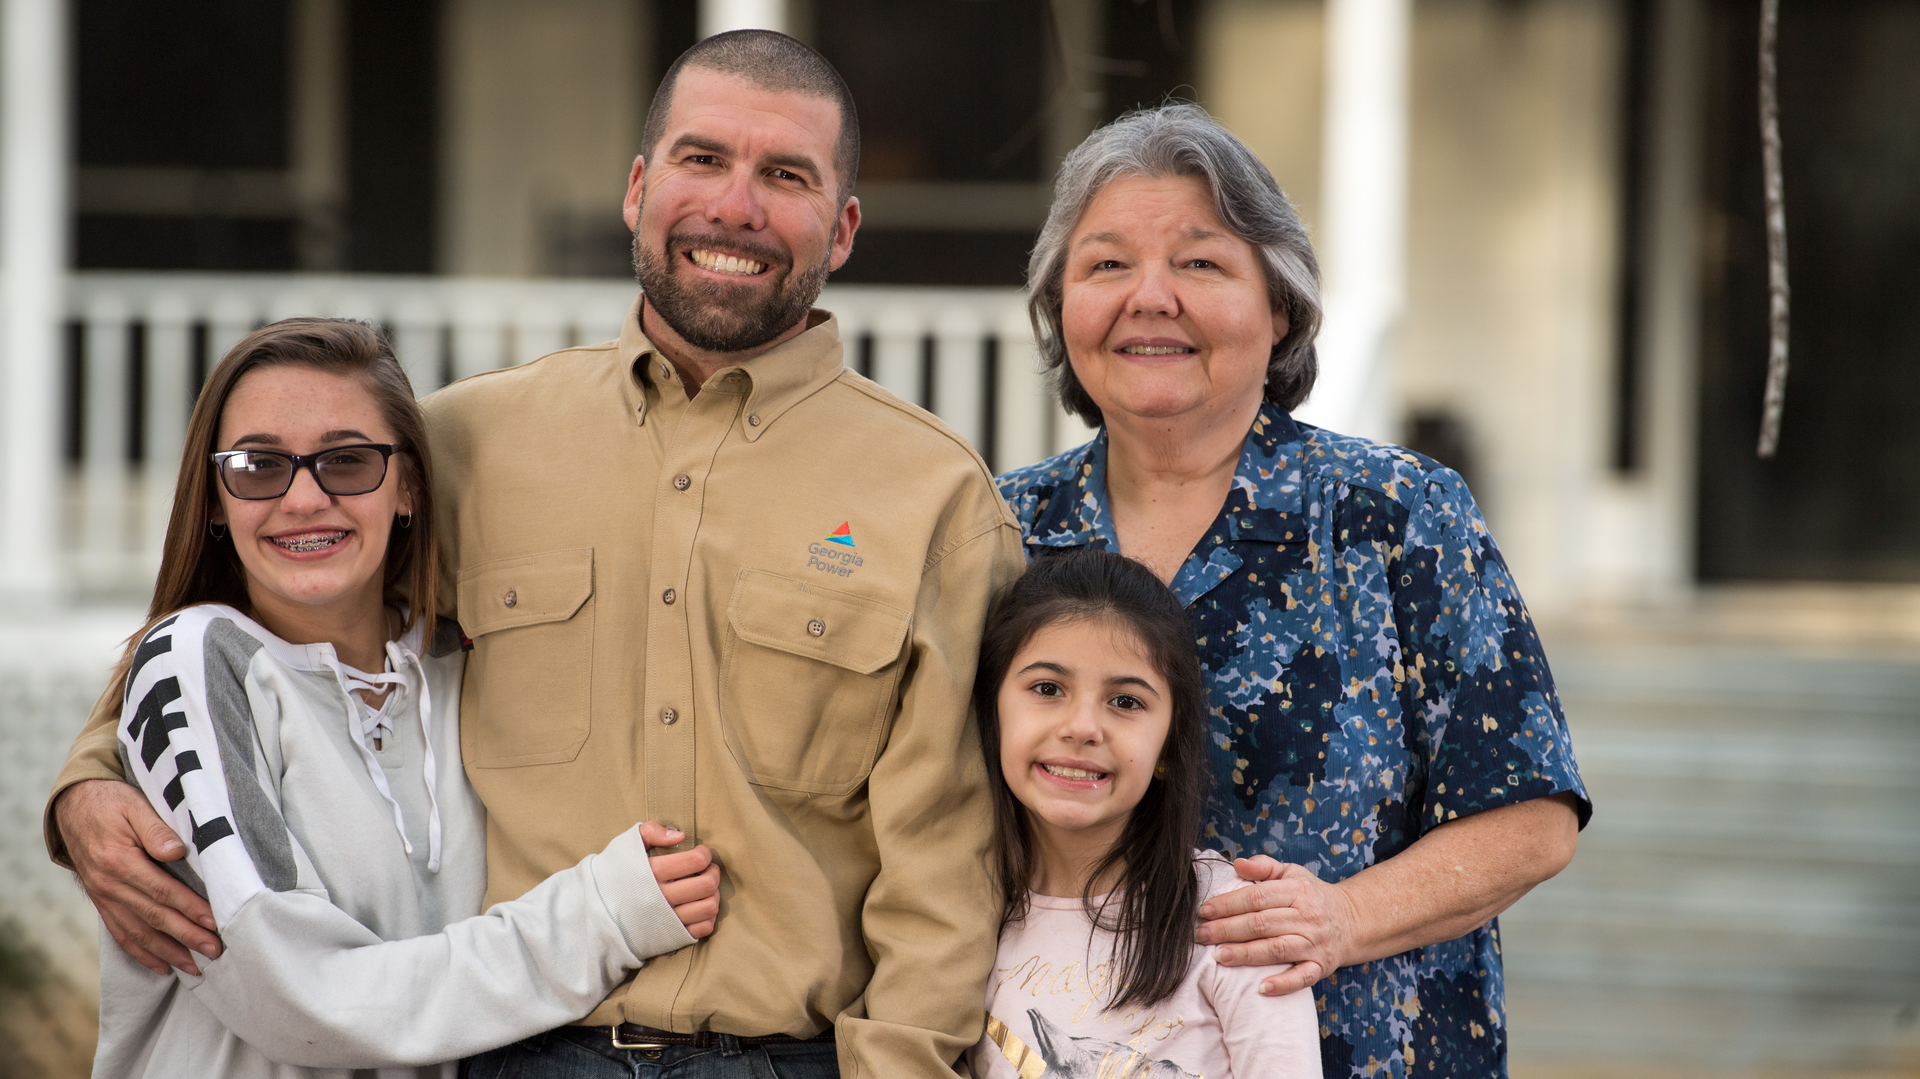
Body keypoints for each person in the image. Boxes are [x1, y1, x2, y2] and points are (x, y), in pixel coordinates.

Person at [49, 31, 1024, 1079]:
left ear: (842, 228)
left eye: (785, 176)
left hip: (791, 1058)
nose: (735, 206)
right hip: (511, 1051)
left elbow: (948, 868)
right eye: (701, 160)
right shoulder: (461, 444)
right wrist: (90, 784)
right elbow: (266, 614)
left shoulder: (937, 500)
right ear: (639, 186)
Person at [995, 103, 1592, 1078]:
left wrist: (1344, 914)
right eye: (1105, 264)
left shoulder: (1395, 514)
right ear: (1059, 303)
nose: (1151, 296)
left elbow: (1531, 816)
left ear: (1280, 308)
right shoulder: (1004, 532)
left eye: (1201, 262)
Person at [88, 318, 718, 1078]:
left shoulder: (463, 662)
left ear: (410, 486)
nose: (303, 498)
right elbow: (304, 999)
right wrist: (602, 917)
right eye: (258, 466)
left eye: (348, 461)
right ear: (216, 499)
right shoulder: (198, 659)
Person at [968, 550, 1320, 1079]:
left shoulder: (1231, 923)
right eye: (1047, 689)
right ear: (992, 708)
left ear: (1169, 747)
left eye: (1126, 701)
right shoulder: (954, 912)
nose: (1083, 726)